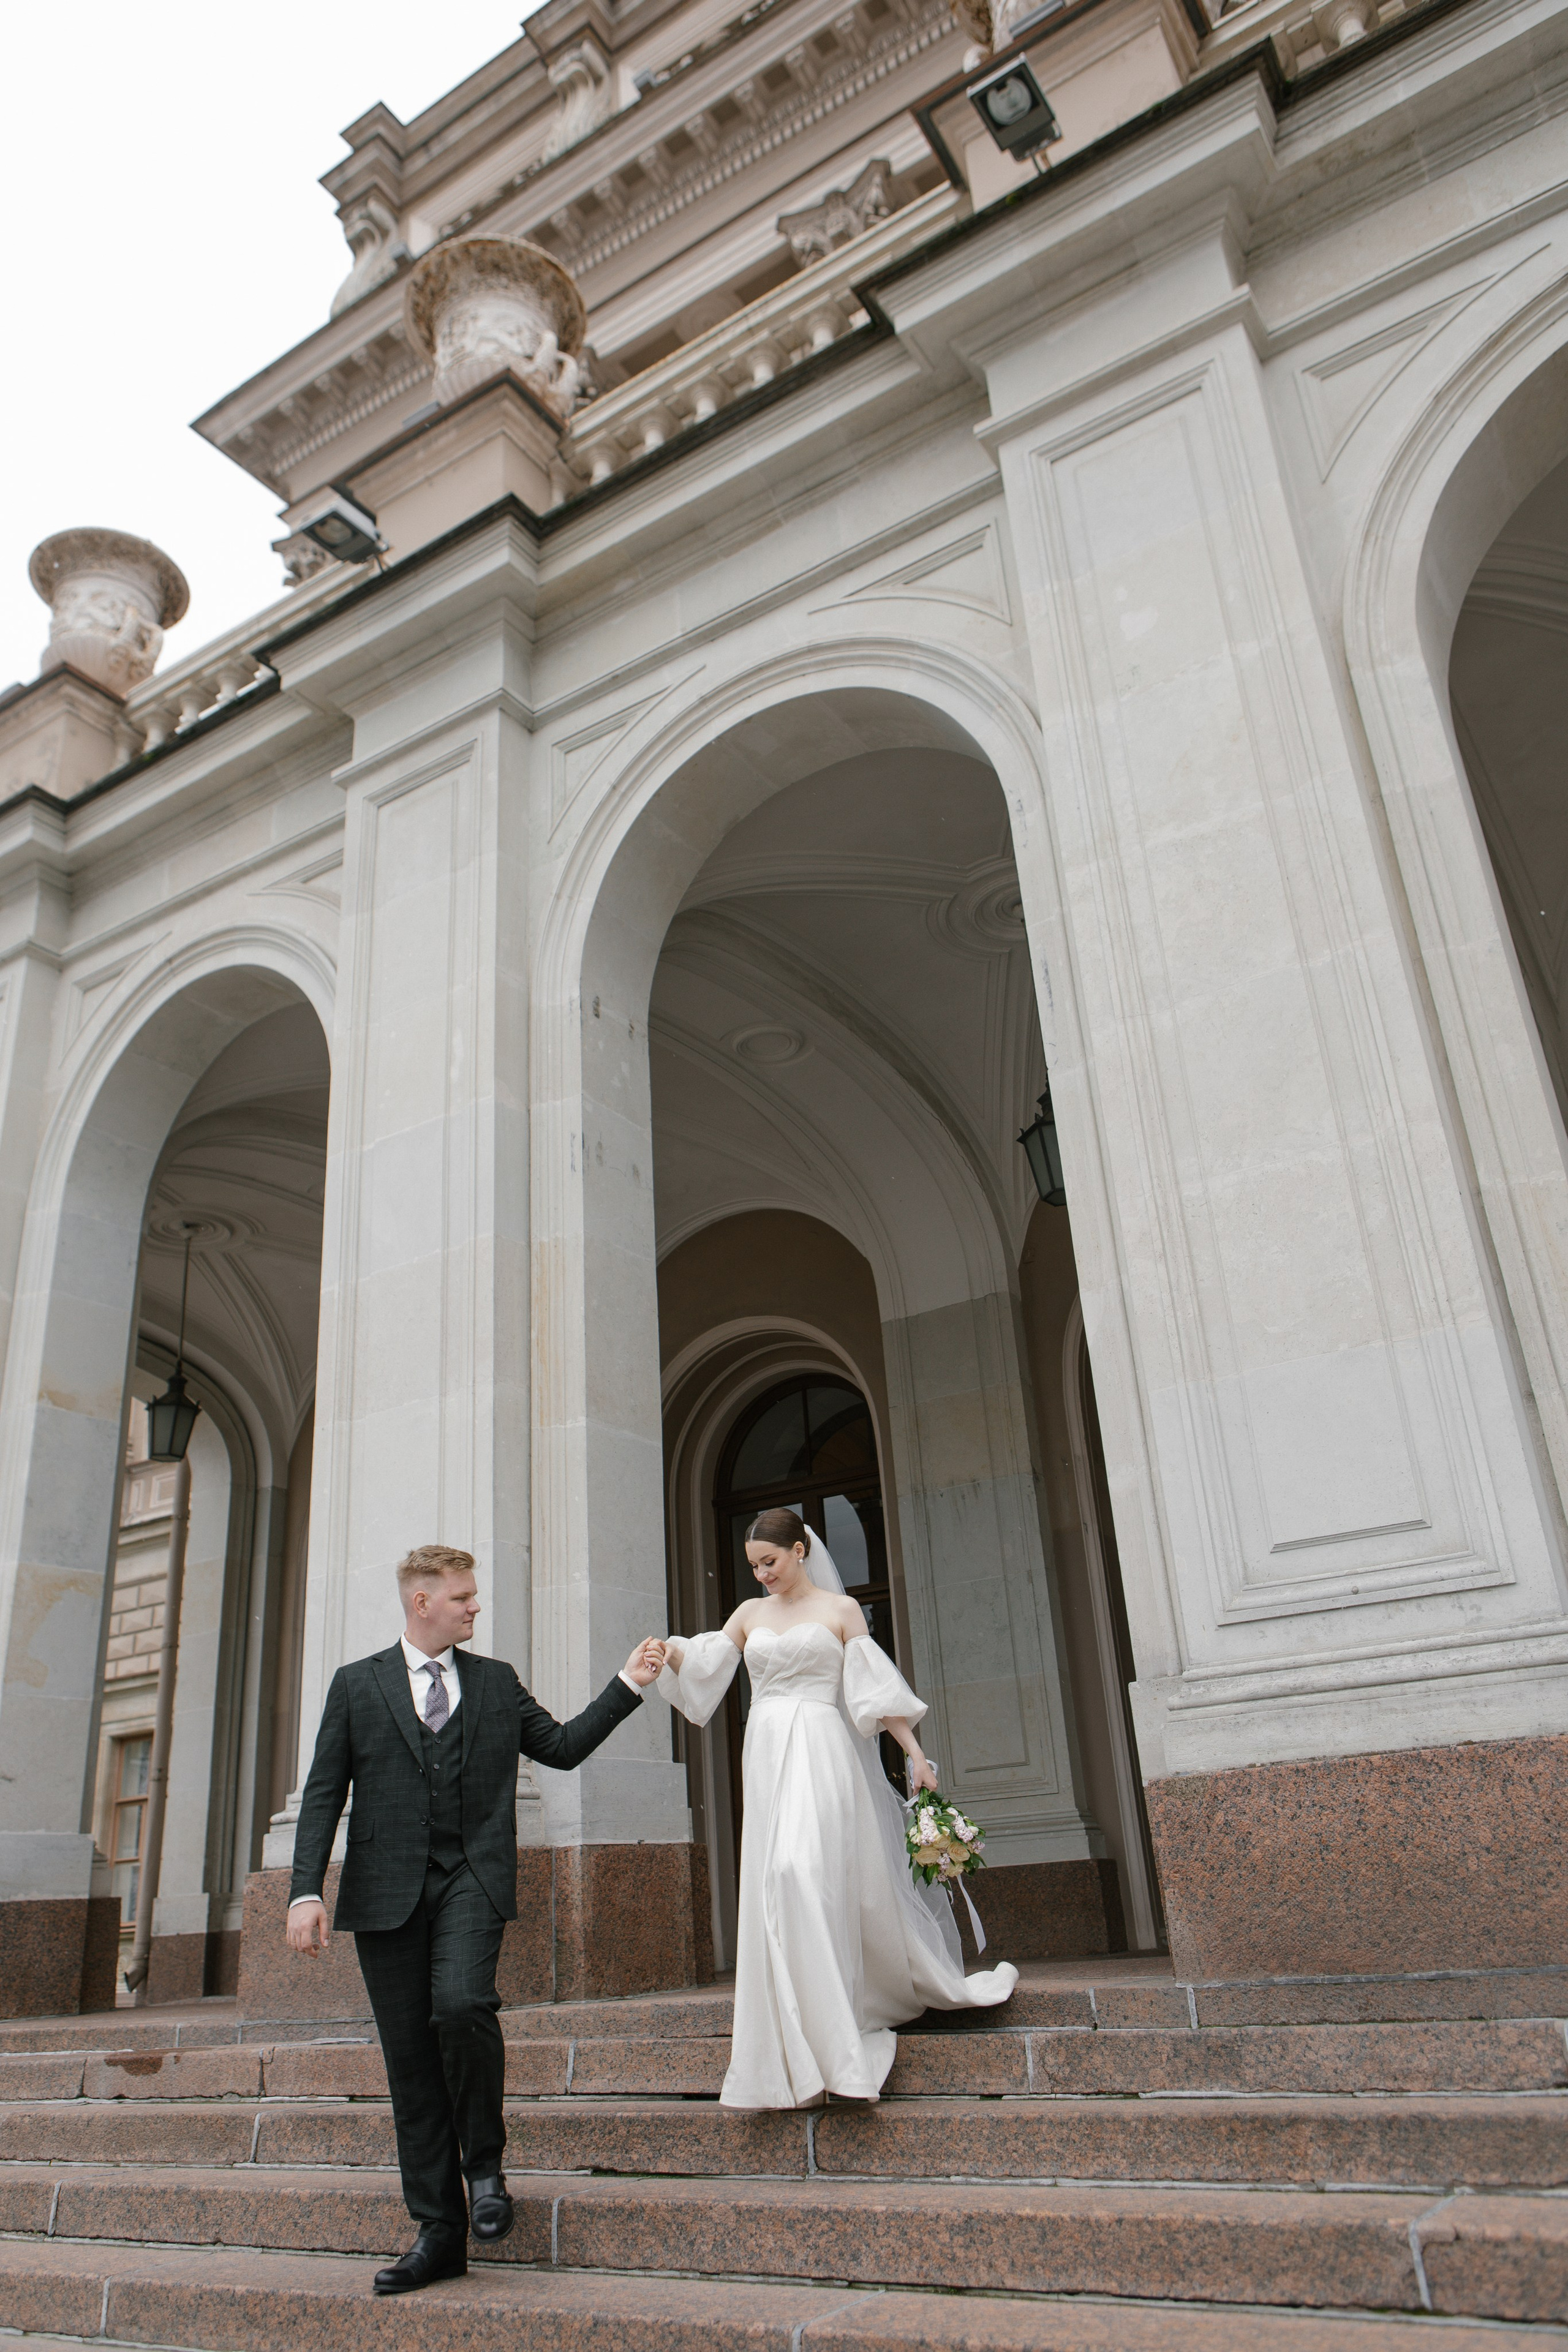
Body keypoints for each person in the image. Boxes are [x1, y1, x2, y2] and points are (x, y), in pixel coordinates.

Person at [284, 1542, 664, 2295]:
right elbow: (324, 1791)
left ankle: (483, 2166)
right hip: (385, 1892)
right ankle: (438, 2232)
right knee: (410, 2066)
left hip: (471, 1879)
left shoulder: (495, 1683)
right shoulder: (357, 1685)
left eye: (473, 1595)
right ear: (422, 1601)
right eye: (462, 1597)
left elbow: (559, 1747)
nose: (474, 1607)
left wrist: (629, 1683)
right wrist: (304, 1891)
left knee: (461, 2006)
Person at [656, 1507, 1019, 2108]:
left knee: (802, 1872)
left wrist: (915, 1756)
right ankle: (796, 2038)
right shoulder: (749, 1615)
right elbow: (705, 1667)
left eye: (768, 1562)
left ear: (799, 1550)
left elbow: (875, 1693)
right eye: (752, 1566)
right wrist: (667, 1655)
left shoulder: (840, 1611)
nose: (761, 1575)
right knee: (777, 1878)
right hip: (769, 1751)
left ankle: (836, 2032)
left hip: (824, 1750)